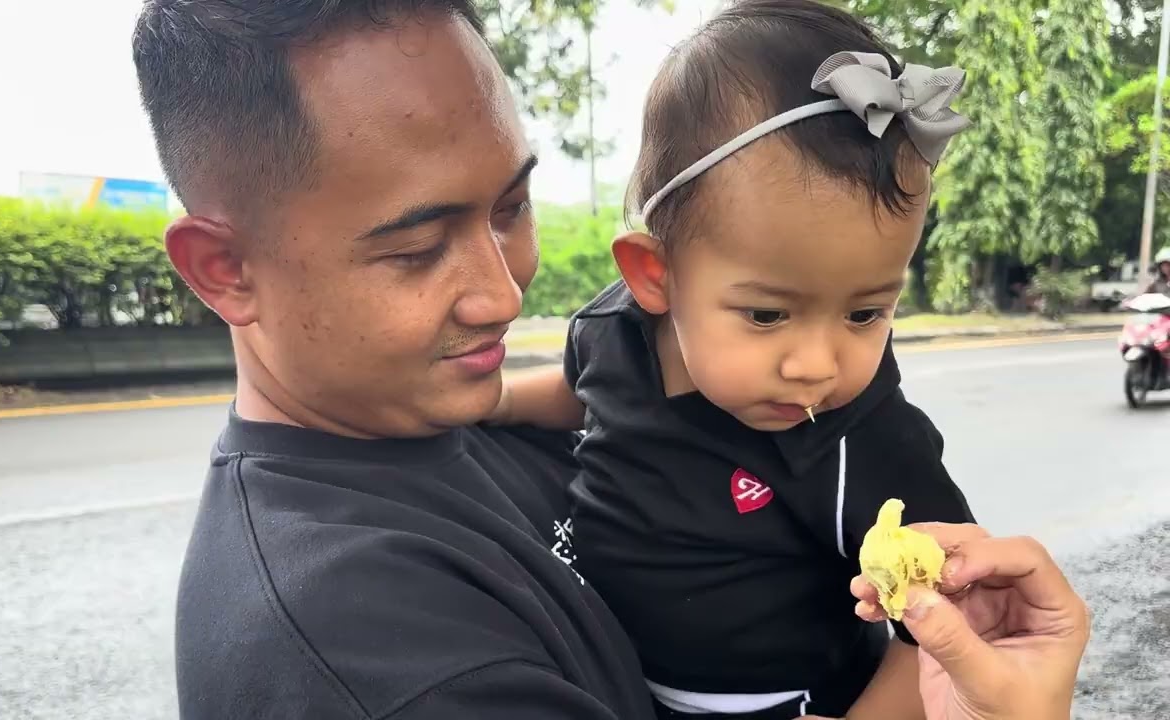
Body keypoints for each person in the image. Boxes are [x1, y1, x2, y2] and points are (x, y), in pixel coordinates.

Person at [130, 1, 1089, 718]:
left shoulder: (459, 411)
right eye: (415, 248)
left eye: (510, 207)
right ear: (225, 269)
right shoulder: (371, 658)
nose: (505, 294)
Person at [490, 2, 976, 718]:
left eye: (864, 312)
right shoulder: (611, 331)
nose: (816, 366)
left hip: (783, 703)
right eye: (768, 314)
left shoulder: (863, 442)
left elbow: (939, 634)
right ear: (656, 277)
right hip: (613, 676)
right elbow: (581, 390)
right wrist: (493, 400)